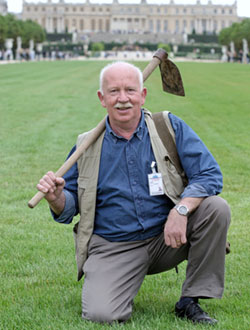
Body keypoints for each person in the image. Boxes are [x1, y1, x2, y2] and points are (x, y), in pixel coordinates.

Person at [37, 61, 231, 325]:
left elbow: (209, 174)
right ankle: (120, 280)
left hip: (168, 237)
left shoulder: (168, 126)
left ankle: (190, 300)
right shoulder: (86, 146)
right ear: (101, 98)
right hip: (115, 246)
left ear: (143, 95)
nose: (123, 99)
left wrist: (181, 209)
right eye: (114, 92)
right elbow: (68, 208)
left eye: (130, 90)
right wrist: (56, 198)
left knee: (216, 208)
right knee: (102, 314)